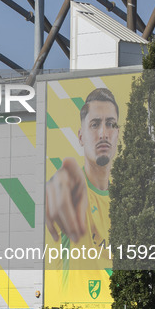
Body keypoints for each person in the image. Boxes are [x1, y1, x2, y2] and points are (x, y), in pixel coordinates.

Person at [45, 87, 120, 252]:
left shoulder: (124, 200)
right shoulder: (71, 190)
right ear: (81, 137)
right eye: (95, 124)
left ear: (117, 134)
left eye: (110, 124)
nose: (103, 134)